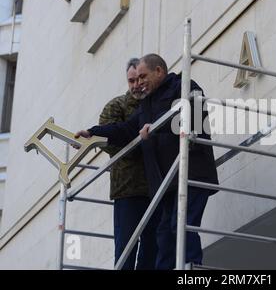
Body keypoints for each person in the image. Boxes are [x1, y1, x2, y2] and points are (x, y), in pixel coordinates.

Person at [76, 54, 218, 270]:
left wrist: (156, 126)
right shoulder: (148, 104)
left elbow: (194, 115)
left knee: (181, 225)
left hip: (192, 173)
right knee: (164, 232)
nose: (139, 82)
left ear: (159, 71)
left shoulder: (184, 85)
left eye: (143, 76)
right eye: (135, 79)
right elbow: (126, 129)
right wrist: (92, 133)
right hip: (168, 181)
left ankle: (191, 267)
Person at [99, 58, 161, 270]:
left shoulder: (155, 102)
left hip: (155, 186)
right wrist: (141, 144)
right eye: (131, 81)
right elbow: (109, 143)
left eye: (140, 79)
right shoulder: (116, 106)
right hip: (127, 189)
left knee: (153, 248)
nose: (136, 85)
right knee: (126, 248)